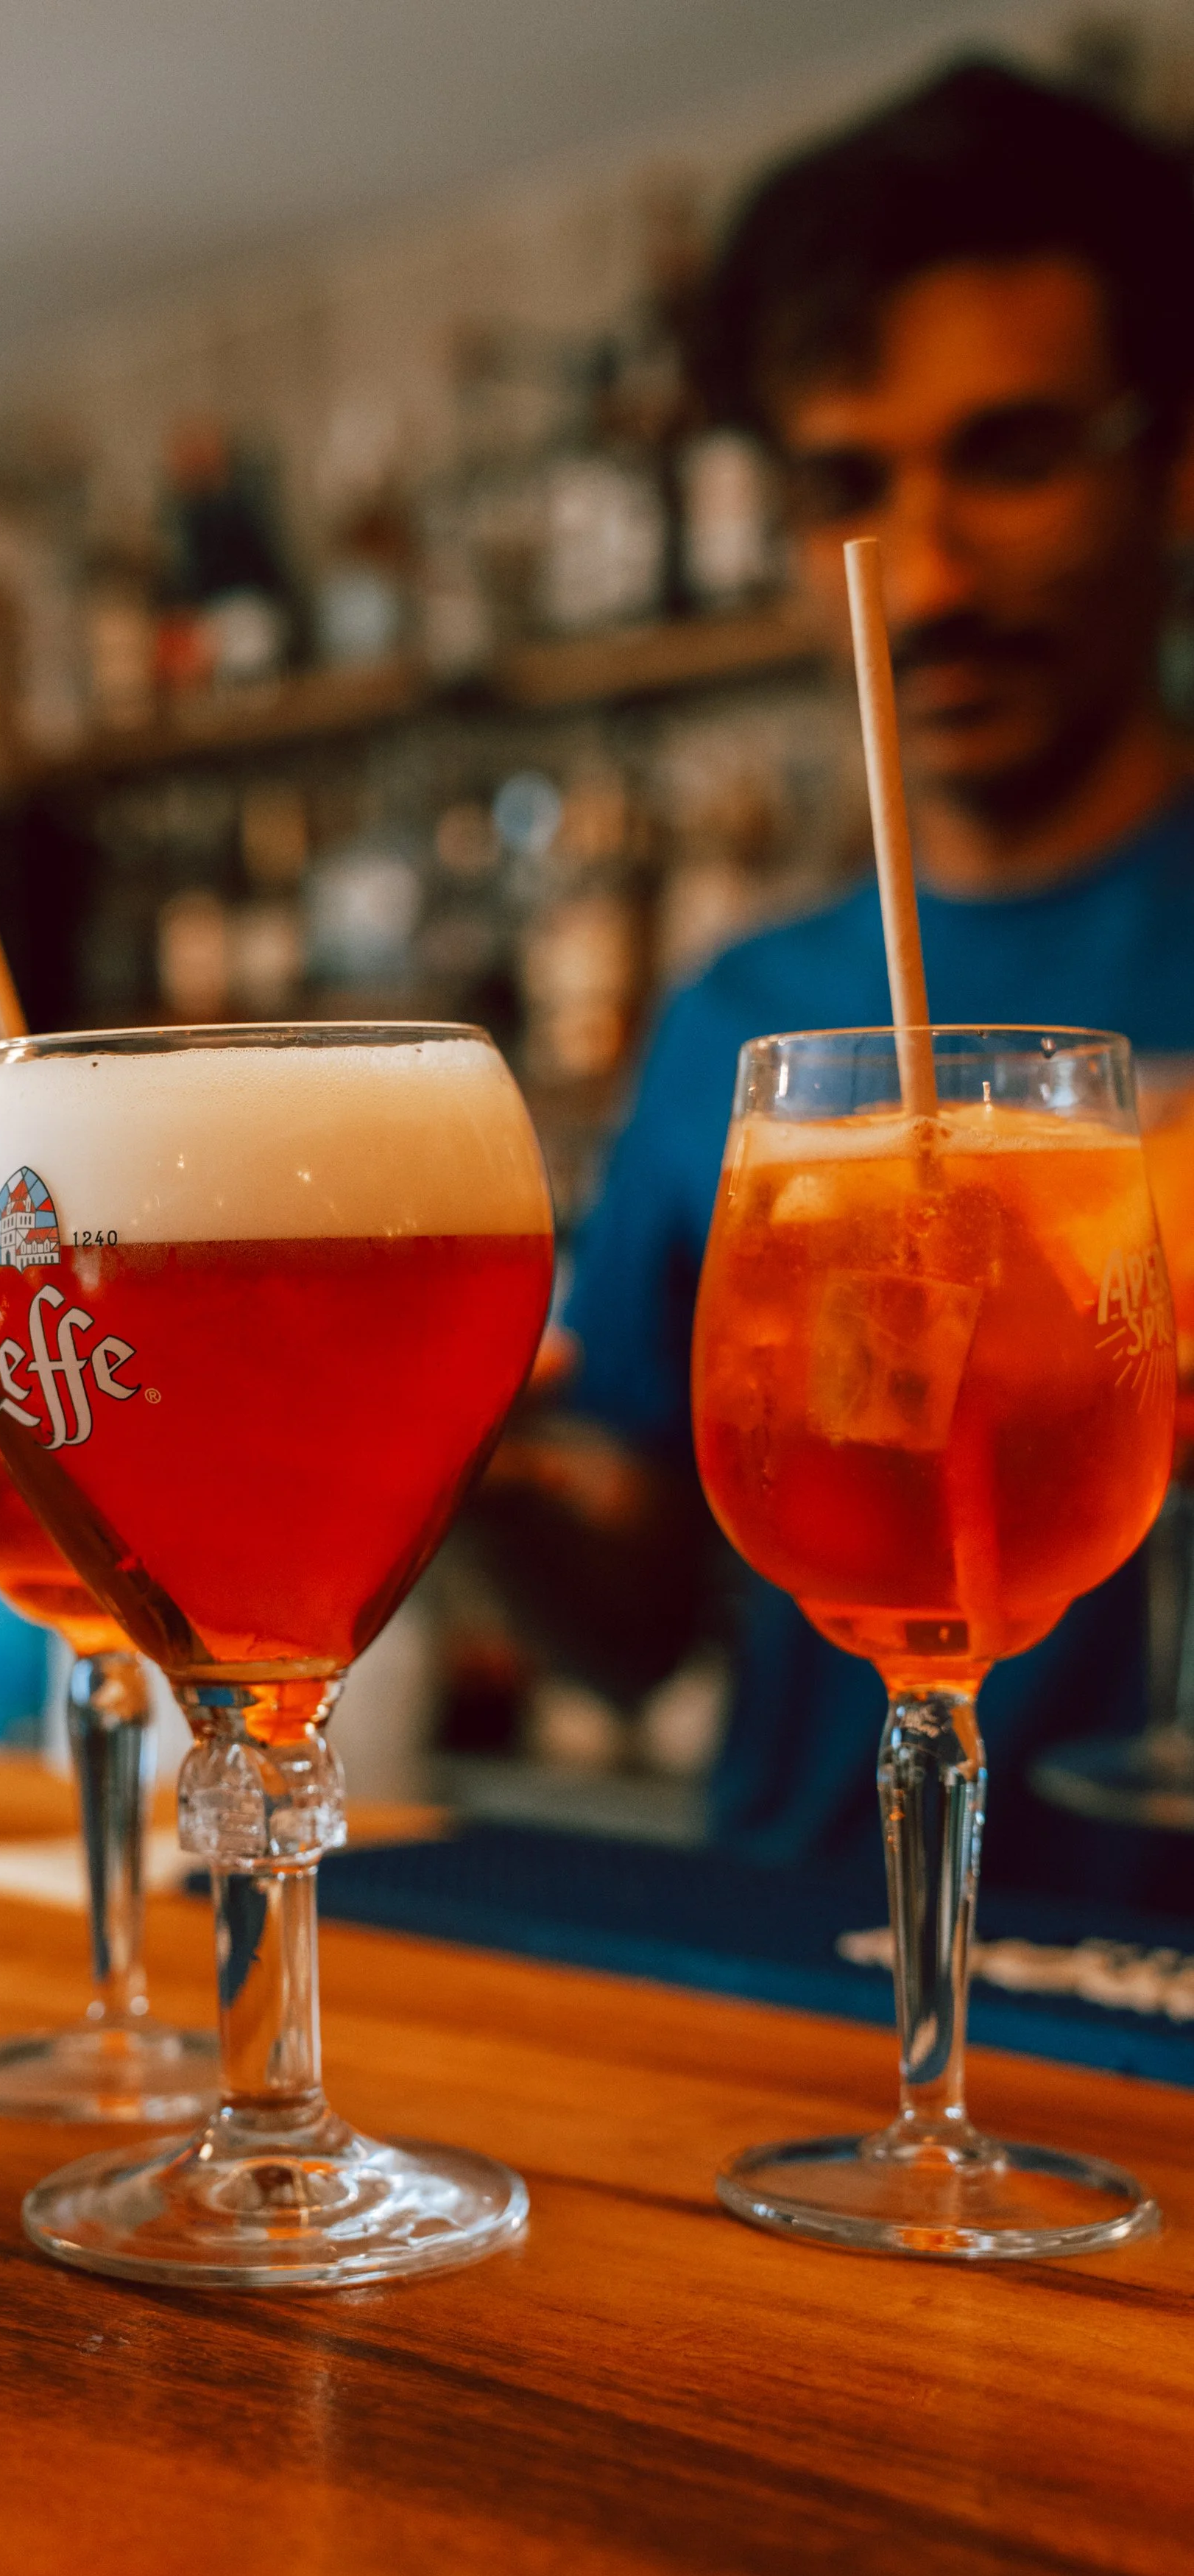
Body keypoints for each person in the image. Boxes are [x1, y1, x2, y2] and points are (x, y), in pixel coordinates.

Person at [566, 56, 1194, 1897]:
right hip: (785, 1967)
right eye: (846, 483)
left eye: (1005, 455)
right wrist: (466, 1471)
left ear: (1167, 462)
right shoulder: (732, 1026)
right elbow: (630, 1628)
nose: (922, 575)